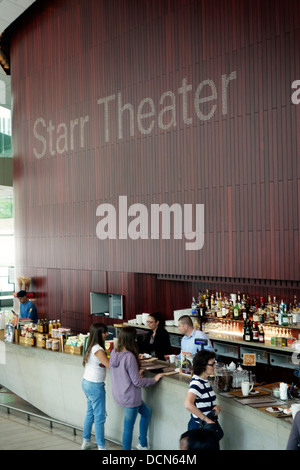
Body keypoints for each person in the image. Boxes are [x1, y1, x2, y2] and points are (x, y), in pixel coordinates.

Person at [109, 326, 164, 450]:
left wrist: (137, 373)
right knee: (128, 427)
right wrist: (154, 379)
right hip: (130, 396)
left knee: (146, 412)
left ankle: (143, 444)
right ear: (132, 339)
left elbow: (122, 374)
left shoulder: (114, 352)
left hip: (120, 394)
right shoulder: (129, 356)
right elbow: (137, 382)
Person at [81, 323, 109, 450]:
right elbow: (110, 365)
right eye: (104, 332)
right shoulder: (98, 349)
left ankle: (86, 441)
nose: (107, 334)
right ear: (98, 334)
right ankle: (102, 447)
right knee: (100, 417)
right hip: (95, 385)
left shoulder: (90, 344)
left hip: (87, 383)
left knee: (90, 413)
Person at [184, 350, 223, 440]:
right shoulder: (197, 383)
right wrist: (206, 419)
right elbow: (188, 404)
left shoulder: (204, 381)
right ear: (203, 366)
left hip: (203, 427)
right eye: (212, 364)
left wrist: (216, 407)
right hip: (199, 428)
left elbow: (204, 401)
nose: (214, 366)